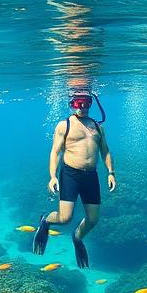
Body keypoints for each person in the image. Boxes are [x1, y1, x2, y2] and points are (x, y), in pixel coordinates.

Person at [32, 92, 116, 268]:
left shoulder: (98, 127)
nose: (82, 107)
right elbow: (55, 152)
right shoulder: (64, 125)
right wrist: (52, 176)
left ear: (90, 103)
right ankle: (46, 220)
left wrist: (111, 172)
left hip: (91, 176)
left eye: (86, 103)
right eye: (78, 103)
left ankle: (77, 237)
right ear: (72, 104)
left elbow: (105, 151)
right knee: (65, 218)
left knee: (93, 220)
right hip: (70, 174)